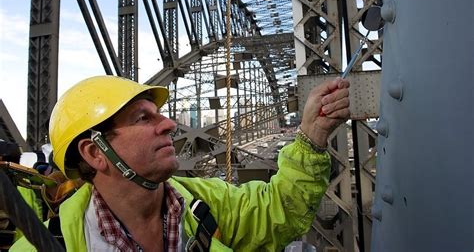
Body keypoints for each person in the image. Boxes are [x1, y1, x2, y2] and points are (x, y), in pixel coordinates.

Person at [11, 75, 350, 251]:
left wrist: (311, 134)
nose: (170, 125)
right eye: (144, 118)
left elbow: (280, 211)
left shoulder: (207, 205)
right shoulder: (43, 247)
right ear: (95, 153)